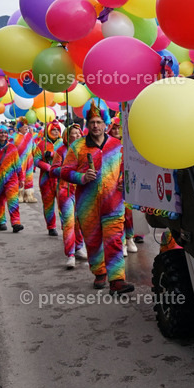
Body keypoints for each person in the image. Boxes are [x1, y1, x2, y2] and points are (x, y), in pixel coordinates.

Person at [60, 104, 133, 293]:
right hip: (88, 204)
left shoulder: (117, 146)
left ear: (105, 124)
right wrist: (81, 177)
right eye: (92, 122)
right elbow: (65, 171)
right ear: (87, 124)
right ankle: (99, 272)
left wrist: (123, 181)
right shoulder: (78, 146)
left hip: (114, 203)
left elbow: (127, 169)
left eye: (99, 122)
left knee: (115, 239)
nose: (95, 126)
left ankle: (117, 280)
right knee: (93, 241)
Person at [52, 123, 87, 269]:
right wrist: (66, 170)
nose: (77, 135)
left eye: (79, 133)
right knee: (69, 222)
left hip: (82, 190)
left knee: (80, 222)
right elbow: (53, 170)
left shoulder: (86, 150)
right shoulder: (61, 151)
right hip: (65, 190)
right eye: (74, 133)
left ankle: (79, 247)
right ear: (67, 135)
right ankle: (70, 254)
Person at [107, 115, 139, 256]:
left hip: (127, 183)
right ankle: (122, 243)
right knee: (116, 215)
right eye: (113, 128)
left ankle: (130, 238)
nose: (116, 130)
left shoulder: (130, 144)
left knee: (129, 214)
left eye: (118, 128)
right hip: (112, 184)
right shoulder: (107, 144)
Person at [34, 120, 63, 236]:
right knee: (48, 204)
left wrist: (51, 154)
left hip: (61, 178)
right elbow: (36, 160)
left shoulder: (63, 143)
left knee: (64, 205)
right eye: (53, 130)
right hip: (46, 179)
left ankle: (66, 227)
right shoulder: (41, 144)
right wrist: (47, 167)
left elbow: (68, 157)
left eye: (57, 130)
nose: (55, 132)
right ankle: (51, 227)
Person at [13, 118, 38, 203]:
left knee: (29, 176)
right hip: (19, 160)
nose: (26, 127)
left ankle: (29, 195)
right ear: (19, 128)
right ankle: (19, 195)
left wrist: (37, 156)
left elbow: (34, 147)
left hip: (29, 160)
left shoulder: (29, 136)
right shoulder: (14, 136)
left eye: (27, 126)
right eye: (24, 126)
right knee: (20, 176)